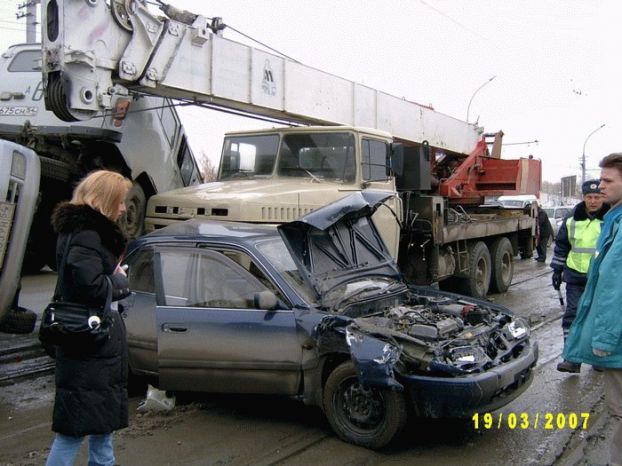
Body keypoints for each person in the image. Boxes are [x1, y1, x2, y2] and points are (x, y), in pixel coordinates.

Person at [46, 170, 132, 466]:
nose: (123, 208)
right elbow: (90, 284)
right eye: (120, 202)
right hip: (89, 347)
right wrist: (120, 281)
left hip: (94, 347)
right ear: (106, 200)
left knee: (101, 431)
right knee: (73, 434)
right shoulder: (87, 234)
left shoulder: (80, 231)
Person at [564, 153, 622, 466]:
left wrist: (603, 341)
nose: (600, 188)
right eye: (598, 182)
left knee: (620, 411)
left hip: (617, 341)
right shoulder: (612, 220)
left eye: (608, 181)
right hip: (576, 277)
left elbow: (616, 290)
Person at [552, 180, 608, 373]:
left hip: (601, 278)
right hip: (575, 276)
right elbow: (561, 245)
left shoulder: (611, 218)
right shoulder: (571, 218)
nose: (593, 201)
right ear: (583, 197)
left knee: (599, 318)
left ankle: (597, 357)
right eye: (589, 197)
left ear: (603, 198)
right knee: (573, 316)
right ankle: (571, 358)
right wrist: (557, 270)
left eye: (597, 197)